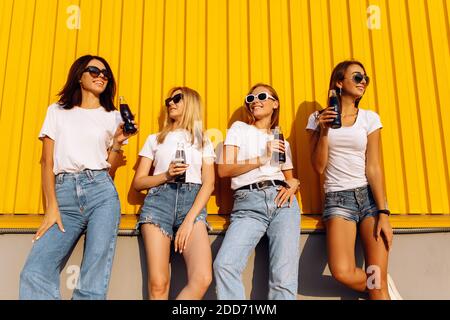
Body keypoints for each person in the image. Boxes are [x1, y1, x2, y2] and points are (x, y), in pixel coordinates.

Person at [19, 55, 137, 299]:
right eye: (94, 70)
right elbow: (47, 162)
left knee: (93, 280)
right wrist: (52, 207)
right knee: (34, 271)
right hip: (64, 196)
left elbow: (109, 170)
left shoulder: (112, 116)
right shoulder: (58, 111)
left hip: (101, 193)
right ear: (79, 76)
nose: (101, 75)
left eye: (106, 73)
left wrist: (116, 143)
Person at [306, 60, 401, 300]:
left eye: (366, 79)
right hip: (338, 199)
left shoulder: (369, 118)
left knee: (376, 283)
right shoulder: (316, 119)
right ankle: (380, 285)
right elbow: (318, 167)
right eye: (357, 77)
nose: (364, 82)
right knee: (343, 271)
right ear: (339, 82)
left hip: (368, 197)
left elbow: (374, 167)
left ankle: (379, 286)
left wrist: (384, 213)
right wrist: (325, 130)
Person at [213, 83, 301, 300]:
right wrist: (262, 157)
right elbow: (224, 169)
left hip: (283, 202)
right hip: (248, 203)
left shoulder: (282, 140)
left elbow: (290, 179)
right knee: (224, 265)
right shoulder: (239, 129)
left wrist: (295, 183)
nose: (255, 101)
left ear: (275, 103)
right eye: (250, 98)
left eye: (261, 96)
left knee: (284, 278)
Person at [133, 87, 215, 300]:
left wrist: (188, 222)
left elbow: (209, 183)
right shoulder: (155, 139)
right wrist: (166, 175)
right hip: (159, 203)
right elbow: (138, 182)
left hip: (193, 206)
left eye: (177, 99)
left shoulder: (203, 140)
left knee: (202, 277)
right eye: (169, 99)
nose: (171, 103)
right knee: (159, 284)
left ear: (191, 103)